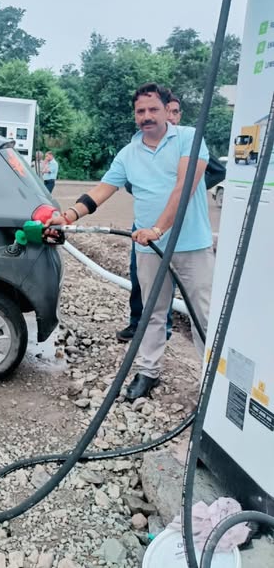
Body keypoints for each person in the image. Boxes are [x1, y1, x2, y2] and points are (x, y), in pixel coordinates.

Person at [52, 82, 214, 401]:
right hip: (148, 248)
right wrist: (69, 215)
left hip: (191, 246)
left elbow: (183, 188)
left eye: (153, 109)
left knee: (203, 314)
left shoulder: (189, 138)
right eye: (140, 111)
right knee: (152, 312)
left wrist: (158, 229)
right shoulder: (128, 153)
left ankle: (214, 379)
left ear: (167, 110)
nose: (146, 116)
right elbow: (102, 190)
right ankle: (148, 372)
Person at [116, 94, 182, 343]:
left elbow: (213, 173)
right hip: (144, 227)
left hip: (176, 230)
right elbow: (114, 183)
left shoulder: (186, 142)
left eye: (174, 112)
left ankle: (164, 328)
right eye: (141, 111)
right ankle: (138, 324)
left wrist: (186, 190)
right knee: (139, 276)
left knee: (168, 282)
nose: (147, 116)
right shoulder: (134, 150)